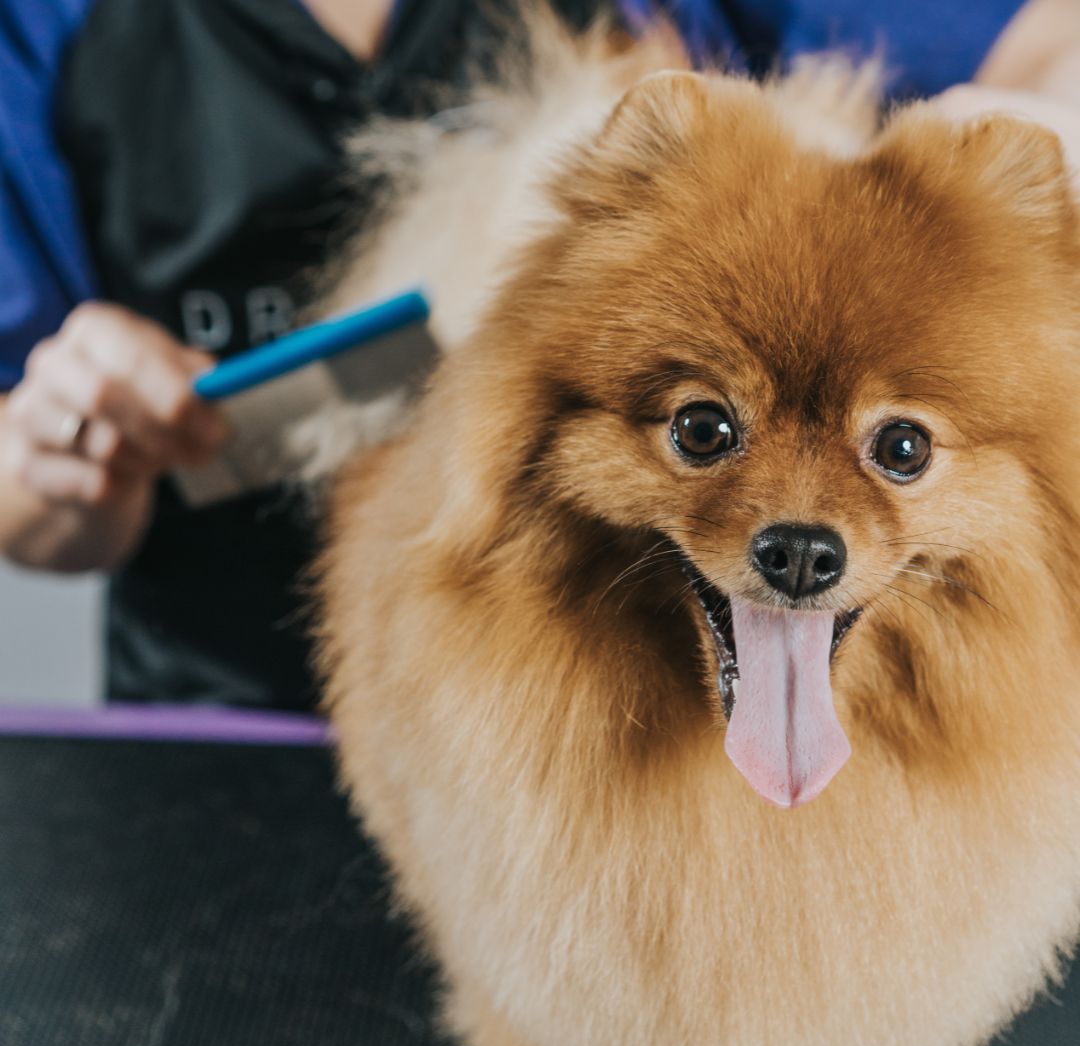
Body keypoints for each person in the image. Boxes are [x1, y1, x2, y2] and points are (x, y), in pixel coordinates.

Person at [0, 0, 1076, 716]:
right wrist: (68, 459)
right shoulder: (54, 24)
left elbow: (1040, 37)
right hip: (228, 713)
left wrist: (1031, 127)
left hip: (617, 703)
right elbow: (25, 505)